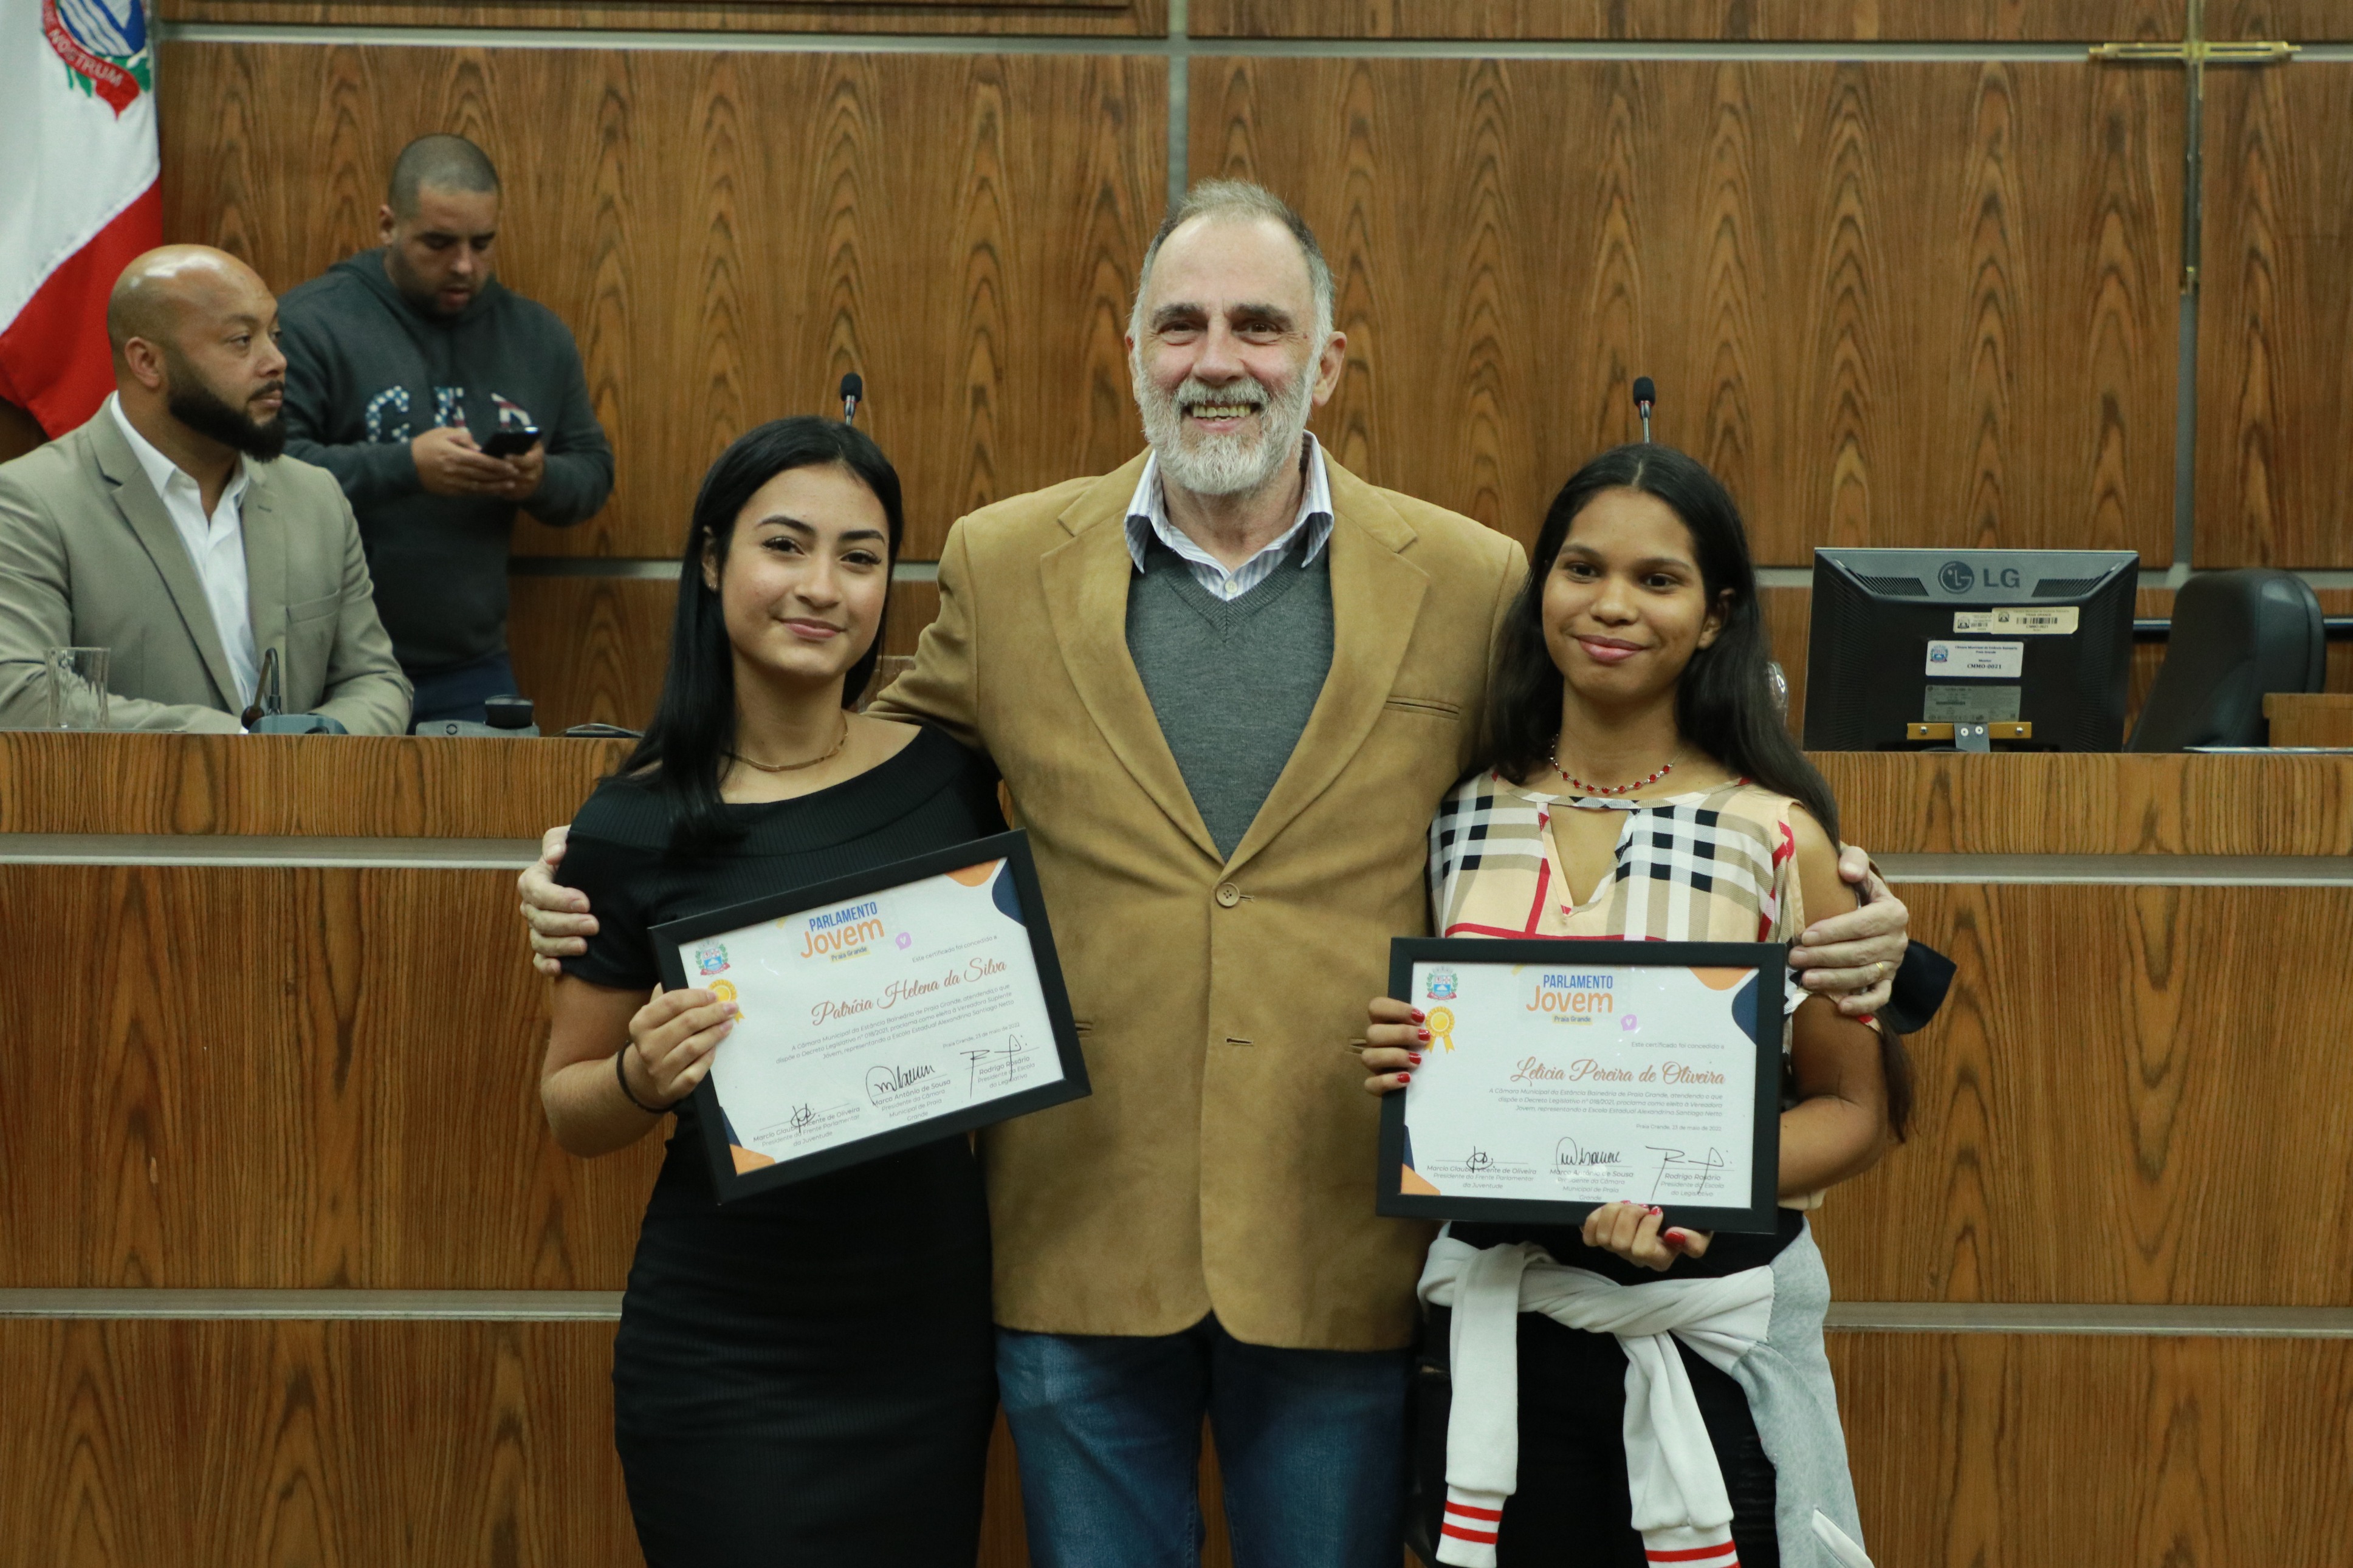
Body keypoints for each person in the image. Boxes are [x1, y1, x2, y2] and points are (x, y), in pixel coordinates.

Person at [517, 181, 1912, 1567]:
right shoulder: (1007, 561)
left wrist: (1857, 897)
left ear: (1327, 359)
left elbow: (1635, 772)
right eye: (1181, 325)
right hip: (1076, 1235)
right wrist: (632, 848)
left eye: (1259, 324)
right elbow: (843, 760)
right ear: (1132, 351)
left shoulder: (1471, 576)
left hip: (1339, 1239)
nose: (1217, 359)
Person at [1361, 443, 1905, 1568]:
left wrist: (1694, 1184)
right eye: (1582, 569)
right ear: (1542, 590)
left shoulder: (1779, 836)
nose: (1611, 605)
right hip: (1501, 1349)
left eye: (1658, 580)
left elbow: (1856, 1111)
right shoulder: (1455, 817)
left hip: (1703, 1350)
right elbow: (1438, 1068)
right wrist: (1398, 1060)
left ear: (1715, 618)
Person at [537, 417, 999, 1563]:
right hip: (728, 1347)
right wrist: (641, 1074)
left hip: (927, 1332)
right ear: (711, 560)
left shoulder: (952, 778)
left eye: (859, 557)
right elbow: (569, 1106)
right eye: (784, 545)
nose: (821, 587)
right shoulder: (631, 822)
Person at [0, 245, 410, 733]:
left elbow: (374, 679)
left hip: (308, 782)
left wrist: (314, 742)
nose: (276, 361)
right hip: (130, 786)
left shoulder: (315, 496)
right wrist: (240, 746)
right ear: (147, 362)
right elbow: (22, 695)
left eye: (274, 335)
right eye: (242, 340)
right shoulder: (32, 502)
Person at [278, 133, 613, 724]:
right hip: (328, 665)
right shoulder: (312, 323)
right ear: (388, 225)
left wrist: (537, 478)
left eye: (482, 244)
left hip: (470, 665)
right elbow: (268, 473)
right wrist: (407, 466)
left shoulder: (536, 337)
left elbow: (592, 470)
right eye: (438, 243)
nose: (464, 265)